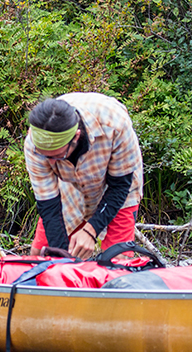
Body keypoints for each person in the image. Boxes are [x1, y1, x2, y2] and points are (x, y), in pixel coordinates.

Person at [24, 93, 143, 259]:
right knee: (41, 254)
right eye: (45, 157)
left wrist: (90, 230)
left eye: (56, 157)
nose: (50, 164)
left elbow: (120, 187)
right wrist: (61, 259)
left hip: (120, 182)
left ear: (76, 137)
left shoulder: (115, 124)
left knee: (117, 259)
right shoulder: (34, 144)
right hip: (70, 183)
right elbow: (49, 206)